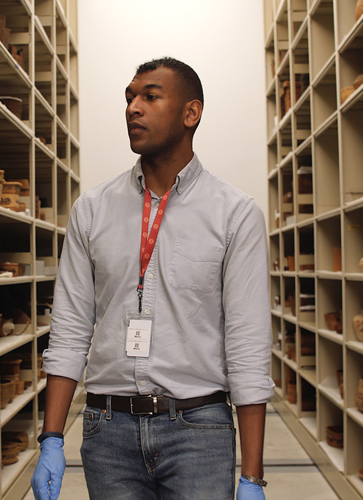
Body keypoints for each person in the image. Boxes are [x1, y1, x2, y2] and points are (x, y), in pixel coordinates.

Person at [31, 57, 274, 500]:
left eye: (150, 96)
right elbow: (68, 330)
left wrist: (251, 477)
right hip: (107, 431)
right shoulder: (92, 210)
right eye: (129, 97)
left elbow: (248, 344)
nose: (133, 108)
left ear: (191, 113)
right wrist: (51, 439)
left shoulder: (235, 214)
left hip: (198, 431)